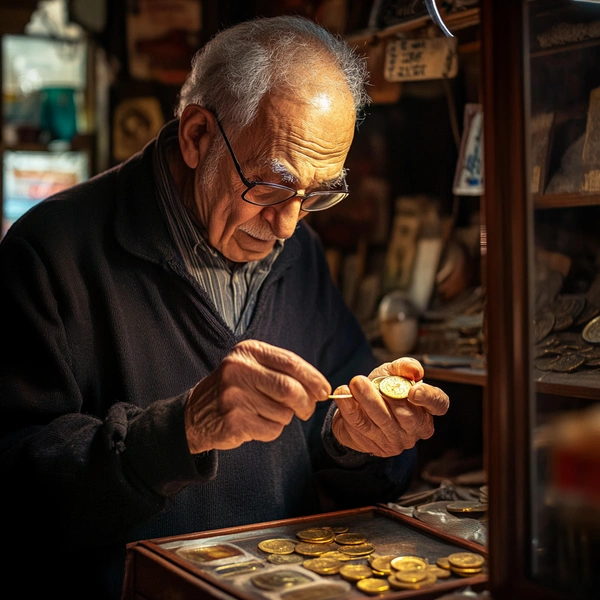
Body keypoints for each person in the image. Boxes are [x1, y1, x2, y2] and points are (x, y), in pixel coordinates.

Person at [0, 15, 449, 600]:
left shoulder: (298, 253)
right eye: (271, 185)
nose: (288, 224)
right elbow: (14, 493)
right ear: (196, 136)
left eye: (317, 194)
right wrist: (181, 430)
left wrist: (353, 438)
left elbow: (330, 419)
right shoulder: (50, 253)